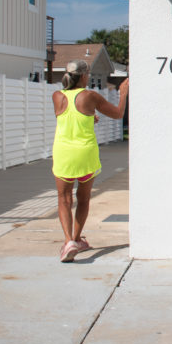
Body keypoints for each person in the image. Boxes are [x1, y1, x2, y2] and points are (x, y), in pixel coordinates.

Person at [52, 59, 129, 262]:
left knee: (64, 199)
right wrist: (123, 93)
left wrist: (89, 117)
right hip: (85, 154)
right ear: (84, 76)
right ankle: (76, 239)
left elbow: (68, 118)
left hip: (63, 153)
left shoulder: (57, 96)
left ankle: (68, 241)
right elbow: (118, 113)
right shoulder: (90, 96)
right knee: (83, 198)